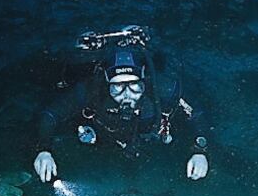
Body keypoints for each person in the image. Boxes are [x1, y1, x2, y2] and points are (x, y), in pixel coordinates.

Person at [33, 26, 210, 183]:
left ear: (144, 80)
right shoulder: (92, 89)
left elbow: (196, 114)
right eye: (117, 87)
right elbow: (51, 114)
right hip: (102, 147)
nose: (127, 95)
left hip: (149, 146)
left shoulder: (162, 89)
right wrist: (44, 150)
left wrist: (199, 151)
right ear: (107, 82)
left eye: (134, 86)